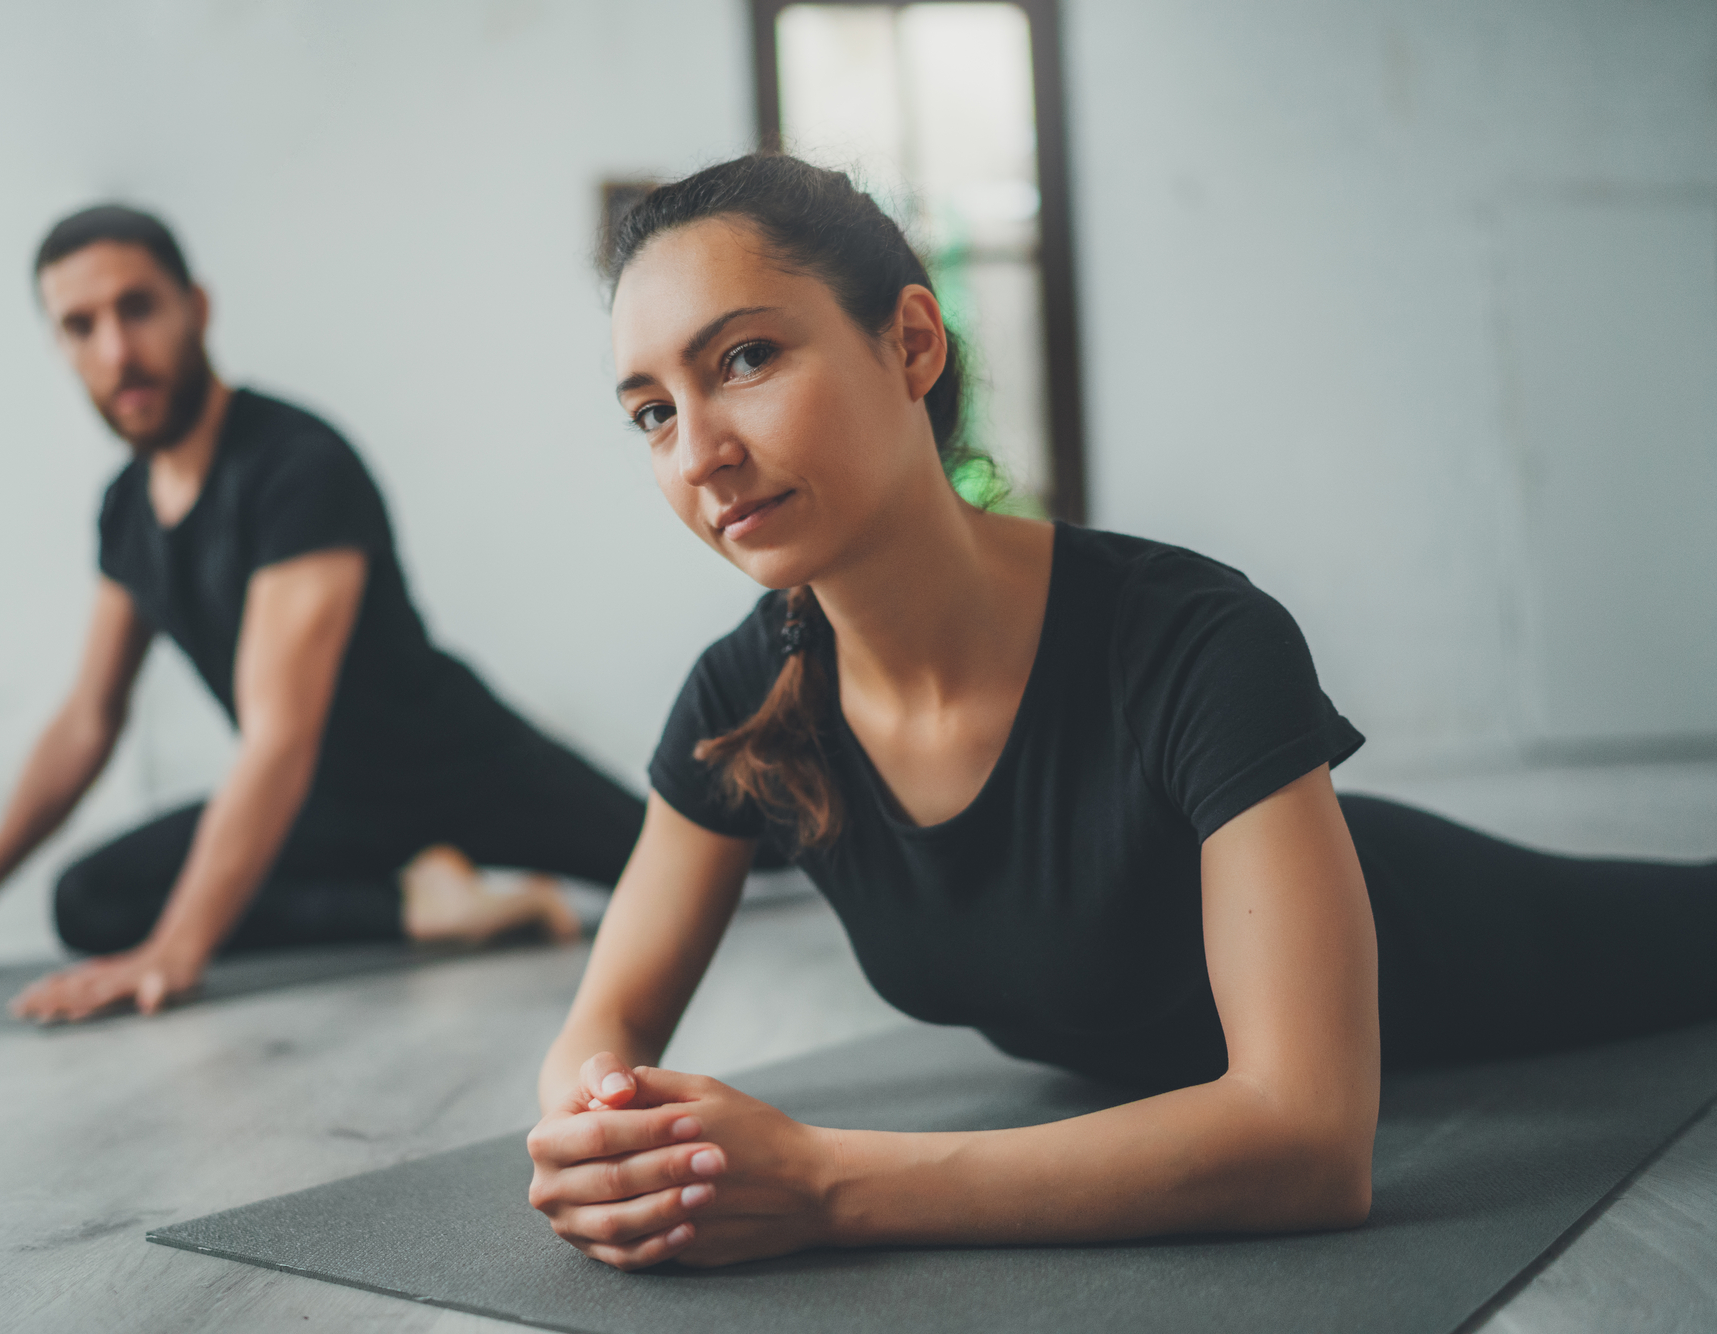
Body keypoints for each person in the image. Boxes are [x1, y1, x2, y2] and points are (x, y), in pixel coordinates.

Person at [523, 154, 1717, 1271]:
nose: (699, 454)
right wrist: (605, 1135)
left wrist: (829, 1184)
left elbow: (1307, 1139)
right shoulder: (746, 697)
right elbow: (607, 1018)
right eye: (651, 411)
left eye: (740, 360)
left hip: (1462, 936)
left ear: (910, 340)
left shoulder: (1193, 638)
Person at [0, 205, 645, 1022]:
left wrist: (178, 950)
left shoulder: (298, 466)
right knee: (89, 901)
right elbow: (89, 718)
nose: (117, 351)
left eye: (138, 308)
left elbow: (279, 735)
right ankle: (428, 904)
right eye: (81, 327)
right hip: (321, 812)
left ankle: (440, 875)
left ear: (198, 306)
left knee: (705, 856)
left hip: (452, 771)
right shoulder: (127, 509)